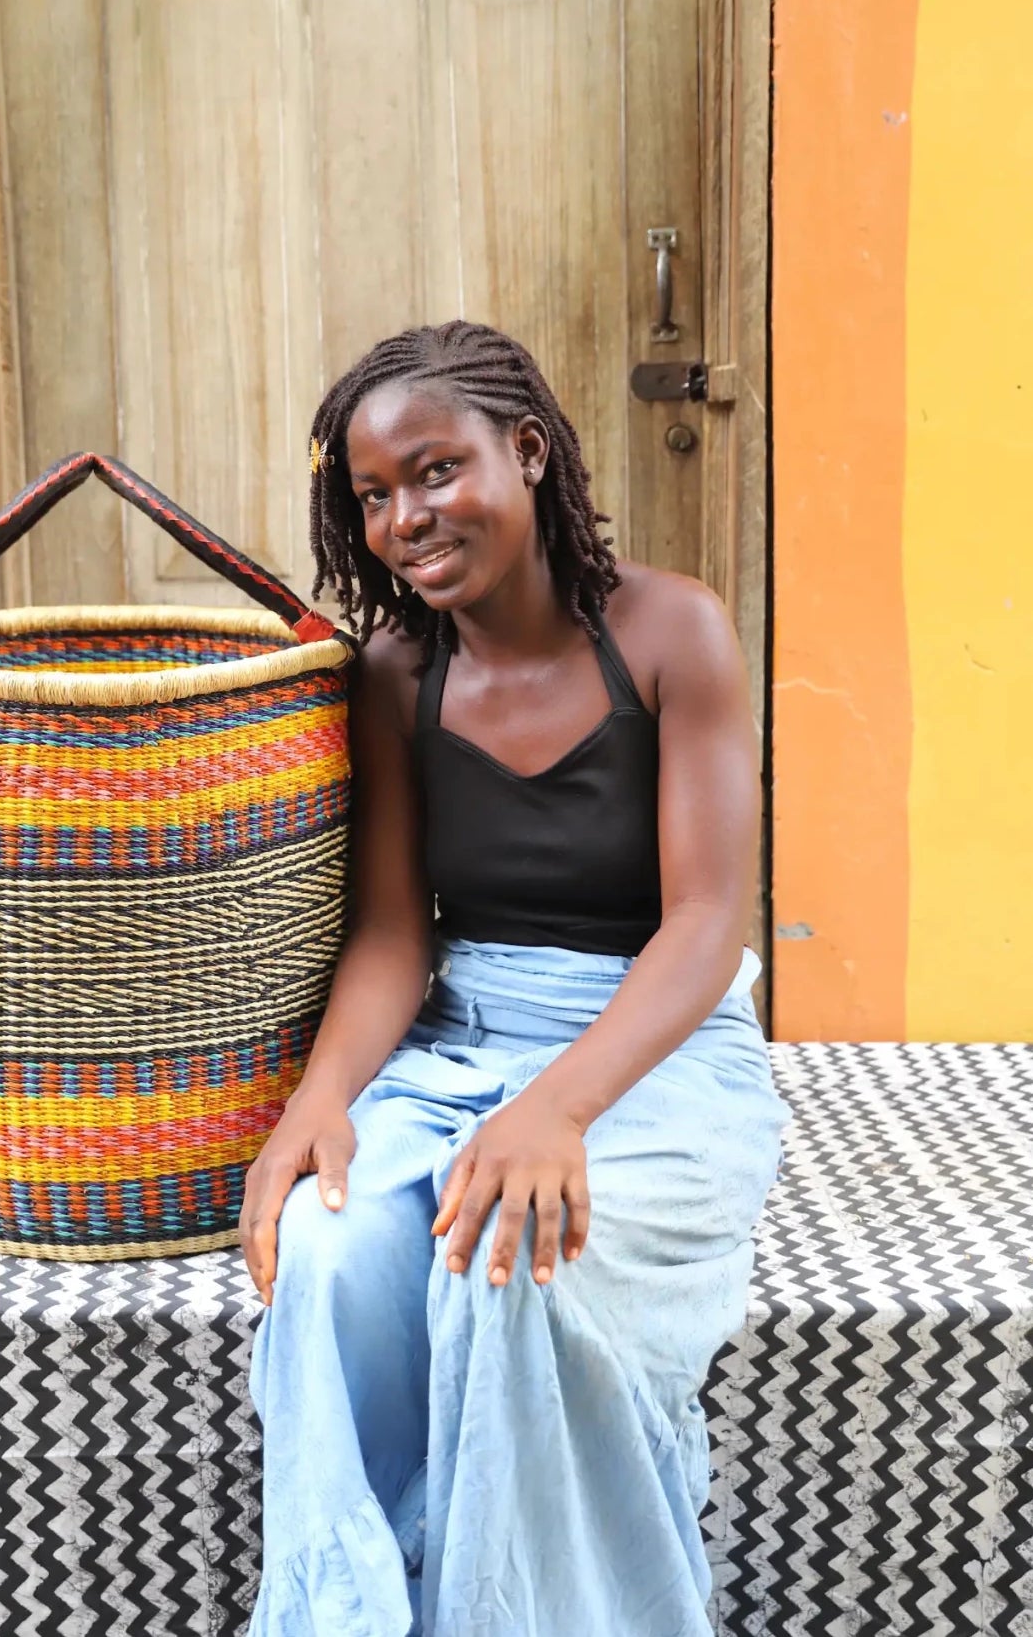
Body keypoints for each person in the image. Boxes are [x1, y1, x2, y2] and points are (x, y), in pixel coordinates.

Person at [239, 321, 789, 1637]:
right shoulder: (393, 676)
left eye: (432, 471)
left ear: (527, 450)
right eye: (371, 496)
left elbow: (706, 920)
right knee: (324, 1251)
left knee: (507, 1266)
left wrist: (558, 1108)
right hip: (461, 1036)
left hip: (650, 1049)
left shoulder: (669, 631)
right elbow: (390, 935)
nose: (401, 519)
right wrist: (319, 1100)